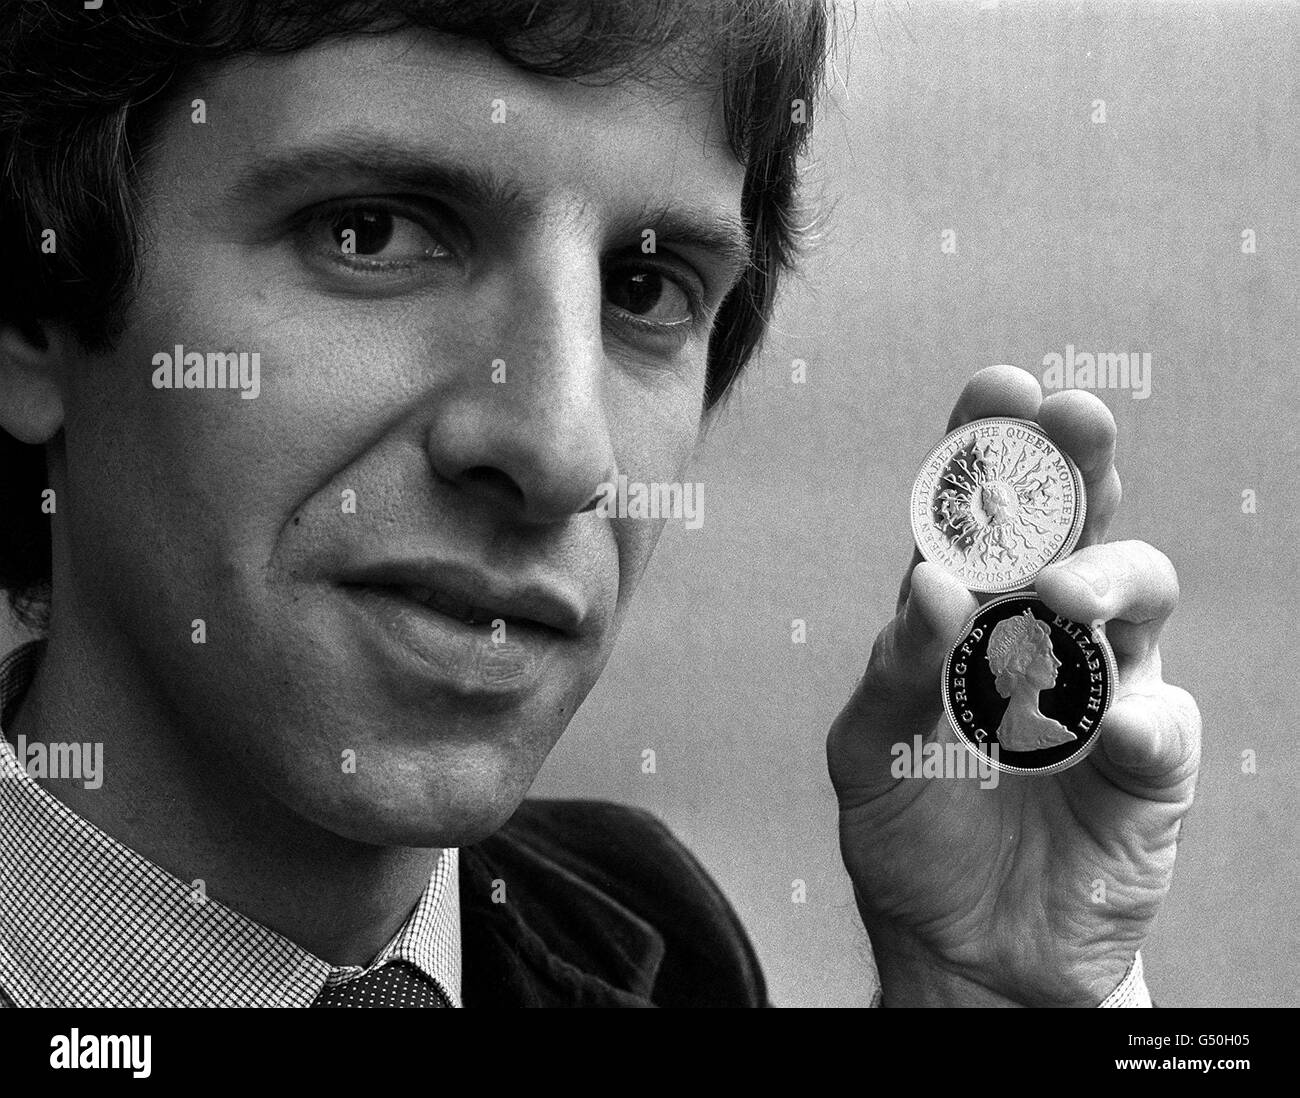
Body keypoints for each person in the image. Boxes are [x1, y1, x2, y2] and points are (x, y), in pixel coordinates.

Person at [0, 0, 1200, 1008]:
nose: (561, 449)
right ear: (29, 316)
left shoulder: (659, 937)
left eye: (643, 286)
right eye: (370, 233)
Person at [986, 610, 1077, 752]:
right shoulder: (1051, 732)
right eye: (1046, 653)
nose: (1057, 662)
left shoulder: (1002, 731)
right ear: (1021, 663)